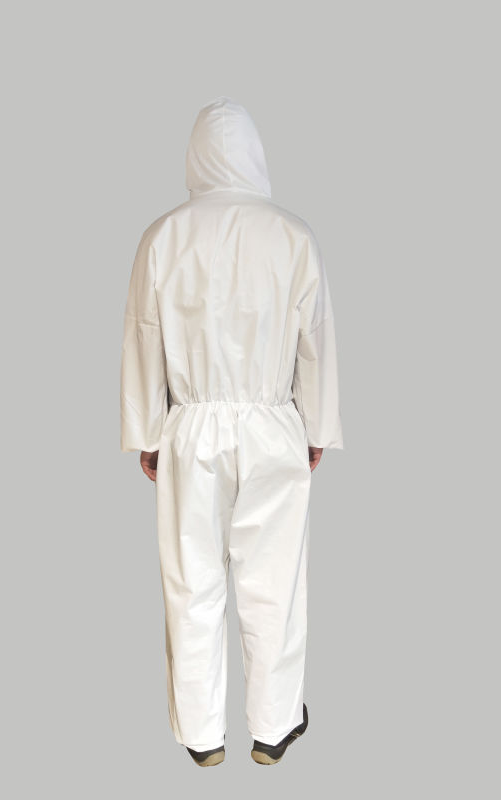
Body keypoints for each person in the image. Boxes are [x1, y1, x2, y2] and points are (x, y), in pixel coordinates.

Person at [120, 96, 343, 766]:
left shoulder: (163, 236)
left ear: (193, 156)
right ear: (256, 154)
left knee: (191, 582)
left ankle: (202, 736)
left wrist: (147, 431)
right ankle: (274, 728)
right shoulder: (293, 235)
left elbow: (144, 337)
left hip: (190, 427)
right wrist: (316, 426)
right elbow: (315, 341)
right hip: (273, 423)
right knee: (274, 582)